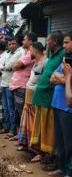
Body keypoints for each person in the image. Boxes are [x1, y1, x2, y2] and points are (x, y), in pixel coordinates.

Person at [31, 32, 65, 163]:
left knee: (48, 128)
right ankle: (41, 153)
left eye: (49, 40)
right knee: (40, 127)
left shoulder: (62, 55)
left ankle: (49, 155)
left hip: (49, 98)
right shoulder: (52, 55)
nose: (47, 42)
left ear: (55, 41)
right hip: (41, 97)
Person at [49, 32, 72, 177]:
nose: (64, 46)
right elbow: (52, 77)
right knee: (60, 139)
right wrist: (65, 78)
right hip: (57, 104)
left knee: (69, 141)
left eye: (67, 42)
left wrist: (64, 78)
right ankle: (62, 168)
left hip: (67, 107)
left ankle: (69, 173)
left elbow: (64, 79)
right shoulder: (65, 60)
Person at [18, 42, 47, 151]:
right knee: (26, 121)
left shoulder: (46, 62)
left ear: (35, 50)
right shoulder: (36, 62)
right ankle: (26, 143)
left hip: (36, 98)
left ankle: (36, 149)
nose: (29, 53)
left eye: (30, 50)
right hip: (28, 97)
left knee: (34, 123)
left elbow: (44, 82)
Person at [7, 33, 36, 141]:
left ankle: (23, 137)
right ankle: (20, 135)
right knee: (17, 112)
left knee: (21, 113)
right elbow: (15, 66)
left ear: (31, 41)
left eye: (25, 39)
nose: (23, 41)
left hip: (22, 86)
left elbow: (15, 66)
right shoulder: (25, 52)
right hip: (17, 85)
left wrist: (16, 65)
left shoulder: (30, 55)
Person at [0, 37, 24, 135]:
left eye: (13, 44)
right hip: (4, 82)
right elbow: (3, 64)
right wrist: (5, 66)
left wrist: (5, 67)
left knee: (11, 108)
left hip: (11, 84)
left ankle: (12, 129)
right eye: (9, 44)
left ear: (18, 44)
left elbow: (9, 66)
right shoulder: (9, 53)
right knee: (6, 107)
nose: (11, 46)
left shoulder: (20, 53)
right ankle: (7, 126)